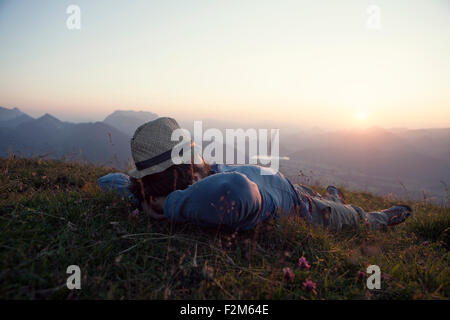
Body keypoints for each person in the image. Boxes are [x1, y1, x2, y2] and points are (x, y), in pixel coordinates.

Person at [98, 117, 412, 231]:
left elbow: (107, 181)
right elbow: (236, 189)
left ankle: (329, 196)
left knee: (319, 196)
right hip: (299, 207)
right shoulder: (205, 197)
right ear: (182, 166)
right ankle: (380, 218)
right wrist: (166, 205)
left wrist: (137, 188)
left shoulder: (155, 187)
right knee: (352, 219)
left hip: (285, 185)